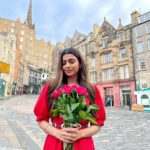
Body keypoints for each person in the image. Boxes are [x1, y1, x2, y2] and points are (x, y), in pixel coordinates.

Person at [33, 48, 106, 150]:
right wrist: (57, 133)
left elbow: (98, 123)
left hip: (82, 143)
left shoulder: (91, 89)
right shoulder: (51, 87)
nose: (67, 66)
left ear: (80, 63)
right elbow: (41, 119)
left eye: (71, 61)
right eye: (64, 63)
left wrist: (80, 133)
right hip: (55, 141)